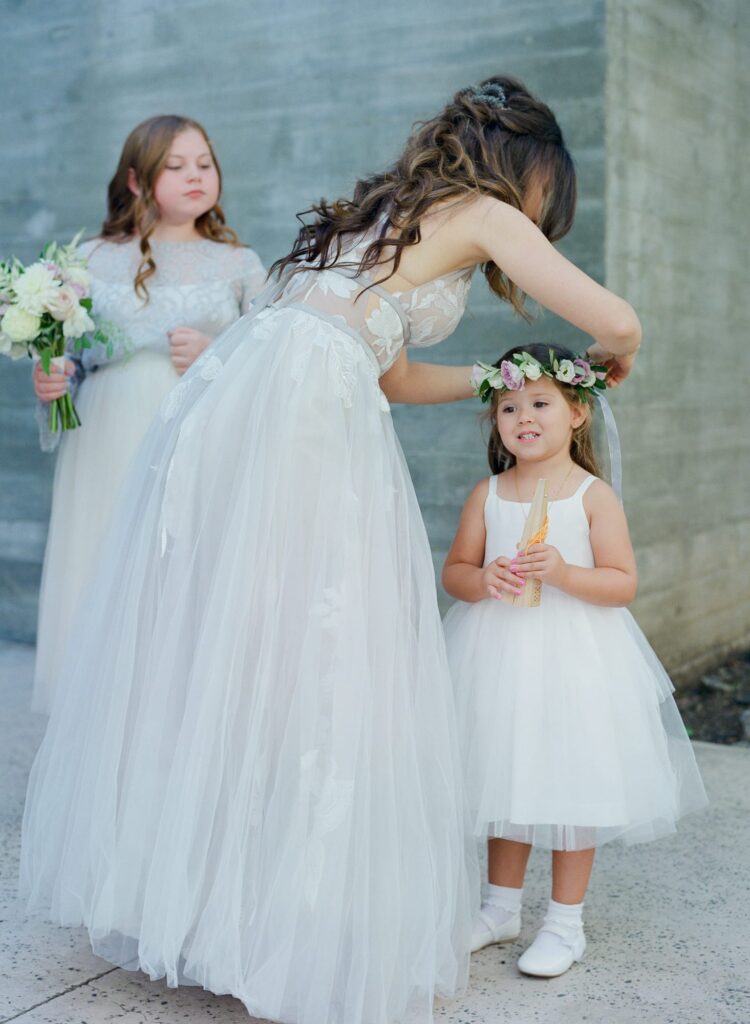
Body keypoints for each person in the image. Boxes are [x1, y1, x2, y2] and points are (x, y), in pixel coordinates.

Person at [22, 77, 642, 1024]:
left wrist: (500, 376)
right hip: (308, 402)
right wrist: (615, 352)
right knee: (324, 643)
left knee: (254, 639)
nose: (540, 223)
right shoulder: (482, 208)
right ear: (525, 173)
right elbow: (616, 319)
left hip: (267, 388)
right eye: (546, 201)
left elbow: (388, 374)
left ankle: (218, 902)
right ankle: (283, 919)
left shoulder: (386, 213)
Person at [442, 342, 708, 979]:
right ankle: (500, 906)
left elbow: (622, 583)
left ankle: (566, 922)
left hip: (574, 659)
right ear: (495, 420)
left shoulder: (591, 496)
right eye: (508, 406)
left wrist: (562, 572)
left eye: (539, 402)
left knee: (569, 784)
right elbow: (455, 570)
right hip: (499, 653)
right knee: (505, 776)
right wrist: (485, 582)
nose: (522, 416)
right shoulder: (490, 494)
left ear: (577, 413)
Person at [31, 114, 266, 713]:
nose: (196, 176)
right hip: (109, 428)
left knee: (184, 561)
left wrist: (220, 354)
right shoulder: (90, 259)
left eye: (205, 164)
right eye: (176, 166)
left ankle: (177, 712)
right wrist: (55, 377)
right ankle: (100, 710)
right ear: (136, 181)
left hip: (197, 427)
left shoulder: (238, 263)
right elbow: (75, 356)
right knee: (105, 557)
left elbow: (270, 358)